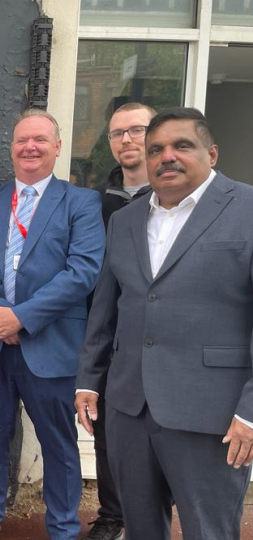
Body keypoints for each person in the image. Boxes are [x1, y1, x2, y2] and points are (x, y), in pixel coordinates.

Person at [75, 107, 253, 540]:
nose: (166, 157)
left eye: (181, 146)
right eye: (156, 149)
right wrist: (89, 380)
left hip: (212, 413)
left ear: (211, 153)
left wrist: (250, 412)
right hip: (129, 408)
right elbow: (106, 309)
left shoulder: (247, 208)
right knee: (139, 527)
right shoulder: (124, 220)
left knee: (208, 529)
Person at [0, 109, 105, 540]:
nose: (30, 147)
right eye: (22, 140)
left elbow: (83, 271)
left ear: (57, 147)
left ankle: (61, 527)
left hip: (50, 346)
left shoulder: (82, 203)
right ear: (11, 148)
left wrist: (23, 317)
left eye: (40, 139)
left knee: (58, 443)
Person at [81, 102, 156, 540]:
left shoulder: (174, 199)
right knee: (108, 429)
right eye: (117, 134)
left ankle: (150, 516)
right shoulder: (97, 201)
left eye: (136, 130)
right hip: (109, 336)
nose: (127, 140)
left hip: (162, 336)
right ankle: (112, 516)